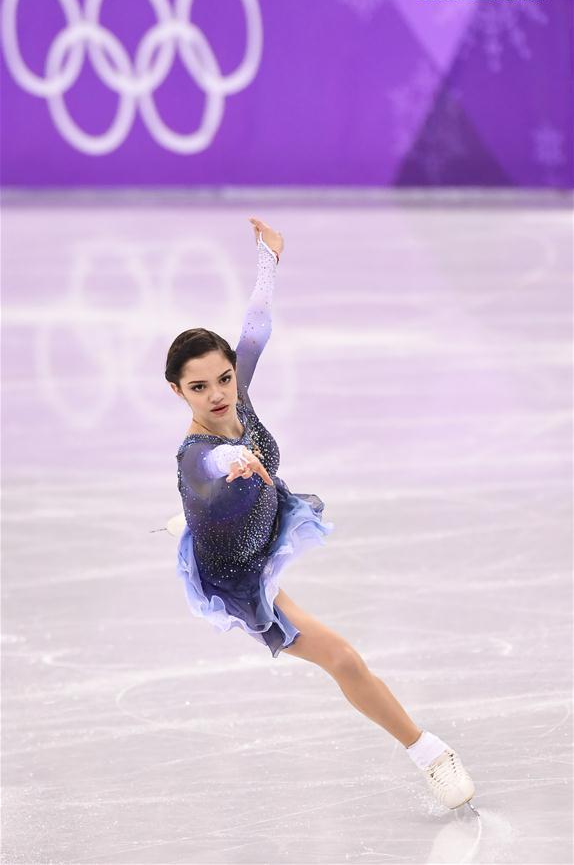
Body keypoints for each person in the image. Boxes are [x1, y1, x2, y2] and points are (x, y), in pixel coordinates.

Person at [164, 217, 478, 815]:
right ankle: (430, 754)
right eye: (199, 387)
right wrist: (233, 458)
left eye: (224, 378)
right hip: (237, 574)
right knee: (342, 658)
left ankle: (426, 749)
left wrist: (268, 259)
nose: (218, 394)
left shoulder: (238, 393)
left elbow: (255, 328)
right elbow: (208, 467)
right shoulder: (194, 455)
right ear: (178, 392)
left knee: (343, 658)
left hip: (261, 521)